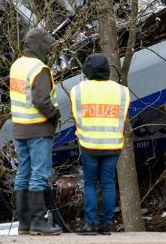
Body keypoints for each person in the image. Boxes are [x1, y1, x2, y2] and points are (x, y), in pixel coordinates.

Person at [70, 54, 130, 235]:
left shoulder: (77, 90)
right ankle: (106, 225)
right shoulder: (122, 91)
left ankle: (90, 224)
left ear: (87, 70)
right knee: (108, 183)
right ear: (107, 70)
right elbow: (124, 118)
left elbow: (76, 116)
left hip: (88, 144)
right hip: (112, 145)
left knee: (89, 183)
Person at [10, 28, 62, 236]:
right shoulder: (39, 69)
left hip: (19, 127)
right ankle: (39, 223)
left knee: (23, 173)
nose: (49, 50)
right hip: (38, 127)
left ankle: (25, 224)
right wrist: (54, 115)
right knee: (39, 174)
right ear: (40, 46)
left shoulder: (16, 65)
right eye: (47, 46)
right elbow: (41, 100)